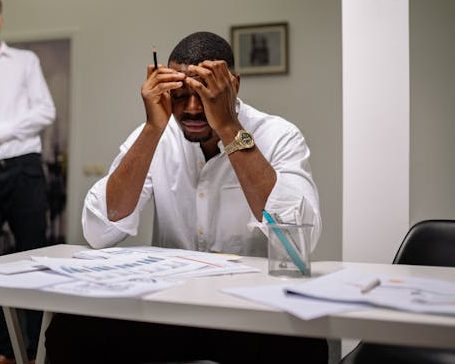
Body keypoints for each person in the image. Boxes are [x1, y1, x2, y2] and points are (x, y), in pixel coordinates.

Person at [46, 31, 326, 363]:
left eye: (205, 94)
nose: (192, 109)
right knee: (70, 329)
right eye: (179, 96)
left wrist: (228, 128)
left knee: (303, 347)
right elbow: (99, 230)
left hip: (252, 312)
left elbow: (296, 239)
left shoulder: (279, 136)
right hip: (169, 309)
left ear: (232, 86)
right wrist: (152, 129)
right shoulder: (156, 131)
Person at [0, 1, 56, 363]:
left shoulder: (24, 61)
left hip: (23, 169)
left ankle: (36, 349)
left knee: (34, 259)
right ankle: (3, 348)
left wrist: (2, 132)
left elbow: (46, 111)